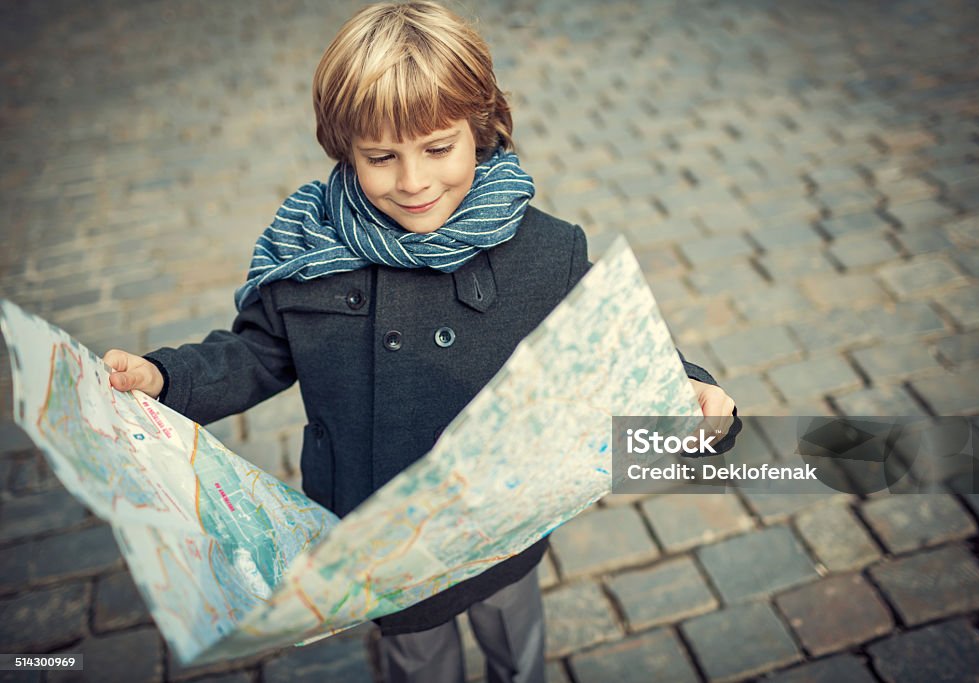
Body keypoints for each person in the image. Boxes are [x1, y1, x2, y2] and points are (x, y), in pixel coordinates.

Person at [103, 2, 737, 681]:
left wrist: (689, 391)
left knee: (514, 636)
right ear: (342, 147)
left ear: (482, 131)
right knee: (418, 660)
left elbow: (616, 350)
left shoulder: (544, 250)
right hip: (381, 536)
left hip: (502, 524)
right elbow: (255, 353)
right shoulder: (309, 253)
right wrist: (165, 379)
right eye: (381, 157)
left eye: (439, 148)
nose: (412, 181)